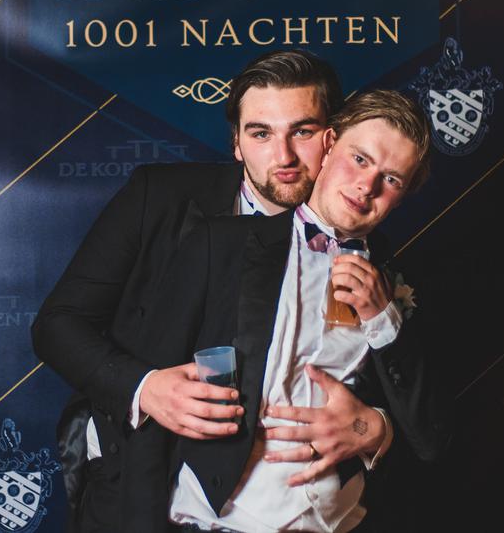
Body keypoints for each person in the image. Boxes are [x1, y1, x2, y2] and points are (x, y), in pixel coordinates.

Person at [33, 50, 402, 532]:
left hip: (292, 507)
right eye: (261, 133)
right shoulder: (158, 197)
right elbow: (57, 326)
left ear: (331, 138)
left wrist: (374, 427)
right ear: (236, 143)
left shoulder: (366, 242)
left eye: (302, 131)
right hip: (141, 482)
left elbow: (394, 382)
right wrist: (146, 388)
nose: (284, 156)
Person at [119, 89, 449, 532]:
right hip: (218, 522)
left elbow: (430, 440)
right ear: (329, 145)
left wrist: (376, 420)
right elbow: (152, 405)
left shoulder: (402, 283)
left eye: (391, 180)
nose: (366, 186)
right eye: (360, 159)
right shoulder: (222, 245)